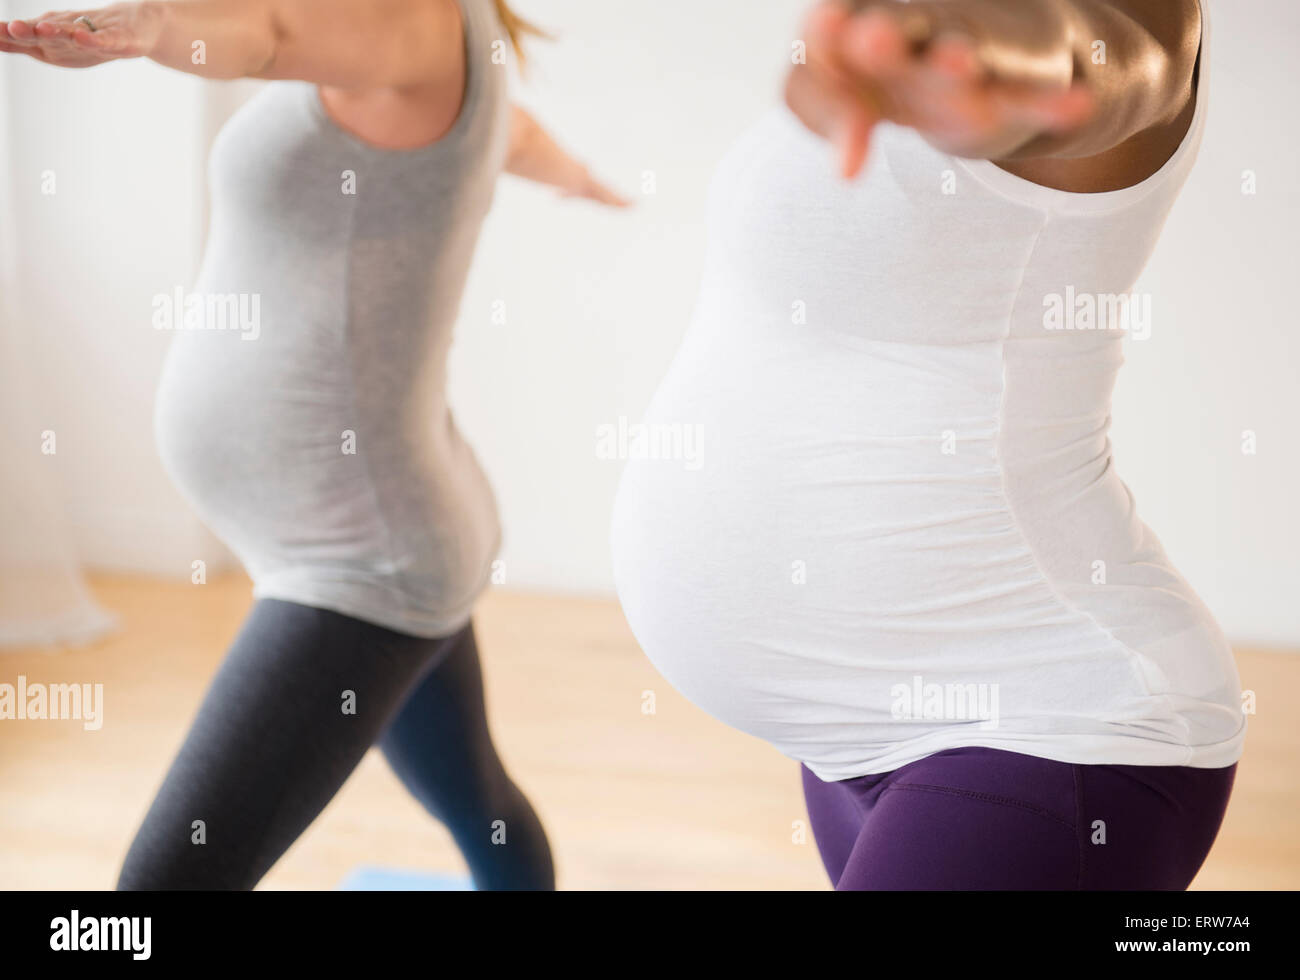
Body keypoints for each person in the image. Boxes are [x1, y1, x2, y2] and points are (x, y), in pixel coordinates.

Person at [611, 0, 1245, 890]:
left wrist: (999, 67)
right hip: (852, 739)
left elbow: (1113, 61)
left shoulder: (1132, 19)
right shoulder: (889, 26)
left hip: (1046, 727)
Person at [2, 0, 627, 890]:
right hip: (388, 526)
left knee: (159, 893)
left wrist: (154, 31)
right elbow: (512, 133)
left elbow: (268, 37)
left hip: (362, 559)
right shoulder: (427, 43)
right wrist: (579, 176)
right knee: (477, 799)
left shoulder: (413, 22)